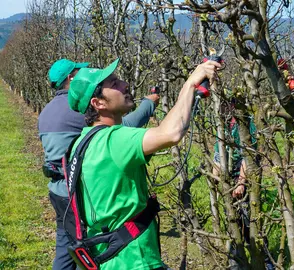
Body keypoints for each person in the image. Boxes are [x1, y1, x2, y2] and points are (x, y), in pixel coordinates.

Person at [66, 58, 220, 269]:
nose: (124, 84)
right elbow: (172, 132)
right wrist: (191, 82)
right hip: (134, 259)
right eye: (114, 84)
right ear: (98, 103)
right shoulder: (114, 140)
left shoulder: (83, 142)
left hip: (109, 256)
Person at [38, 58, 160, 270]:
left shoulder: (46, 111)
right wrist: (148, 105)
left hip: (57, 188)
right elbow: (123, 130)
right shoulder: (76, 109)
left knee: (67, 244)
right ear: (71, 78)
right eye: (80, 71)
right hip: (78, 191)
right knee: (87, 245)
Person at [212, 93, 274, 270]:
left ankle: (265, 263)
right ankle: (236, 264)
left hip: (244, 176)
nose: (222, 109)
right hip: (228, 175)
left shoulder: (247, 123)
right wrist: (216, 179)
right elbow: (218, 153)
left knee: (249, 221)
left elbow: (249, 155)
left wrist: (241, 182)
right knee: (233, 221)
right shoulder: (222, 125)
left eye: (225, 105)